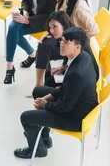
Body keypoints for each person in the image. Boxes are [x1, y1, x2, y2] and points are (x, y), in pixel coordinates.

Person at [13, 27, 99, 159]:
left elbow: (65, 107)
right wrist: (46, 98)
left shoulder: (77, 73)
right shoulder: (83, 56)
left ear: (77, 47)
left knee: (25, 117)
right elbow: (66, 88)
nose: (61, 43)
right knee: (38, 90)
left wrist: (45, 104)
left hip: (75, 118)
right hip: (76, 104)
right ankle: (45, 137)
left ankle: (38, 150)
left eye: (66, 42)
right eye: (62, 40)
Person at [4, 0, 58, 84]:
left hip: (42, 21)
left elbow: (50, 14)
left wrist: (28, 20)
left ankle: (30, 56)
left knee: (13, 33)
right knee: (12, 28)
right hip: (29, 14)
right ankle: (10, 67)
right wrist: (26, 10)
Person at [34, 11, 99, 88]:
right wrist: (63, 67)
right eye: (50, 28)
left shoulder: (73, 39)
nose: (52, 31)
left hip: (84, 78)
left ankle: (43, 92)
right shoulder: (72, 33)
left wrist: (64, 69)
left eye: (55, 27)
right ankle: (42, 90)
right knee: (49, 75)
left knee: (49, 78)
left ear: (63, 25)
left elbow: (78, 65)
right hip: (81, 71)